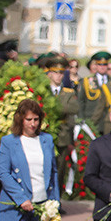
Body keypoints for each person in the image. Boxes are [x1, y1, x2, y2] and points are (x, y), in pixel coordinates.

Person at [45, 57, 79, 191]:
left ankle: (56, 201)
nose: (58, 76)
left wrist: (52, 108)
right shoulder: (44, 91)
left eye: (61, 73)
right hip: (45, 134)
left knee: (60, 170)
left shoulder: (69, 93)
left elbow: (74, 108)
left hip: (62, 136)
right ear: (49, 74)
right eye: (55, 72)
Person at [78, 51, 111, 122]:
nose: (102, 67)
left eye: (104, 65)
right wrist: (81, 119)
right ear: (96, 65)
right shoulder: (86, 81)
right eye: (100, 64)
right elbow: (81, 101)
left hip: (108, 121)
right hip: (91, 119)